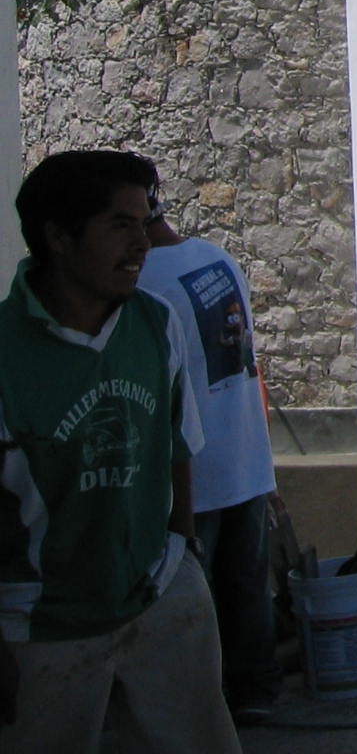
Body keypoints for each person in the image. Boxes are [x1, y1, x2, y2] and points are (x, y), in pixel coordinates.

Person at [0, 149, 240, 751]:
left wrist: (183, 554)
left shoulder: (155, 323)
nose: (141, 244)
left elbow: (177, 447)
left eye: (143, 223)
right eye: (119, 225)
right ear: (58, 237)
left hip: (159, 589)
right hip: (41, 620)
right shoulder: (6, 352)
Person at [139, 165, 281, 724]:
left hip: (192, 473)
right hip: (246, 458)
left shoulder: (142, 283)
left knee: (191, 601)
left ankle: (204, 711)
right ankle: (257, 696)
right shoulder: (217, 258)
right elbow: (249, 364)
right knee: (248, 589)